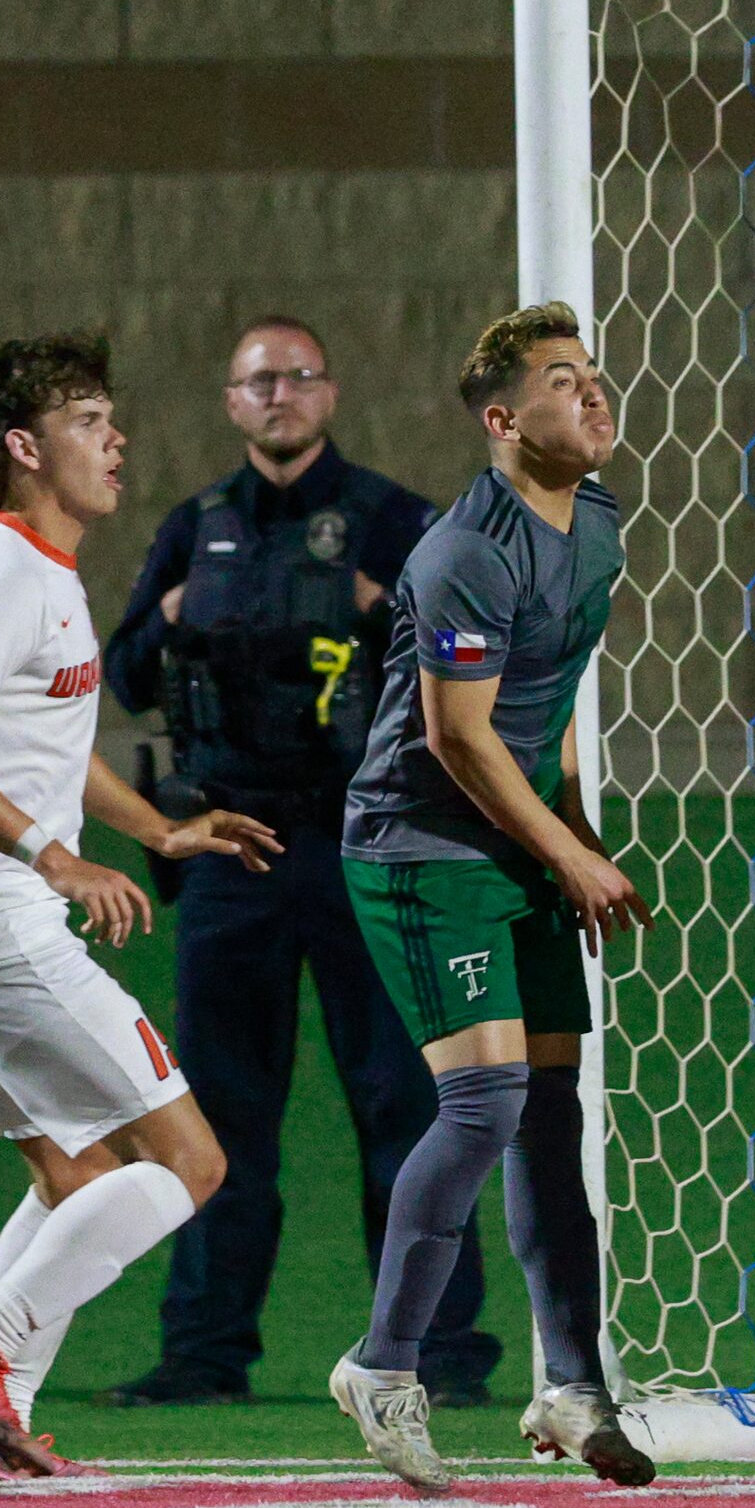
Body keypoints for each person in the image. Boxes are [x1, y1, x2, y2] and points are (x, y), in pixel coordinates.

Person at [0, 335, 282, 1481]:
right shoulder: (0, 570)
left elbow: (41, 750)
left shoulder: (45, 572)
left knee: (82, 1179)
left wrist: (155, 829)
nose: (119, 443)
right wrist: (58, 861)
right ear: (25, 446)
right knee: (191, 1164)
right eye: (91, 421)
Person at [99, 316, 500, 1410]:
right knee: (222, 1114)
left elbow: (471, 665)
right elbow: (126, 676)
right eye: (257, 381)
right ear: (231, 404)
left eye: (298, 377)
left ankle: (438, 1352)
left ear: (330, 394)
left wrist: (389, 610)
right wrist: (173, 615)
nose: (279, 395)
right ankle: (204, 1355)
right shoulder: (196, 529)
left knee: (402, 1104)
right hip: (233, 851)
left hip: (365, 843)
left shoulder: (392, 522)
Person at [329, 303, 655, 1494]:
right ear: (504, 420)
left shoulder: (602, 524)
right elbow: (457, 738)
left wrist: (572, 830)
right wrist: (568, 858)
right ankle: (383, 1363)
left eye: (597, 377)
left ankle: (572, 1386)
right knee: (482, 1106)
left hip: (514, 846)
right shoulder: (464, 549)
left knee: (551, 1117)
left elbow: (550, 697)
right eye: (565, 382)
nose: (595, 395)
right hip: (421, 846)